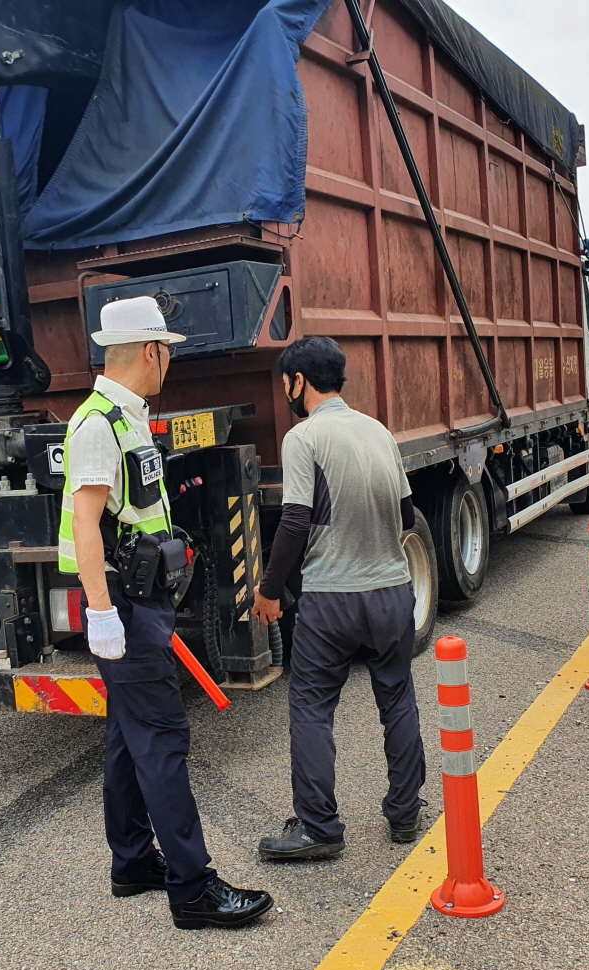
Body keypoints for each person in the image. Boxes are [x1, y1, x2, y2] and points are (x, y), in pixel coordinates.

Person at [60, 297, 273, 930]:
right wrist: (102, 614)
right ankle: (193, 886)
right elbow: (87, 523)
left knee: (131, 734)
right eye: (169, 350)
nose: (171, 361)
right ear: (151, 351)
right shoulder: (97, 424)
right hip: (123, 604)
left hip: (138, 598)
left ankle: (133, 861)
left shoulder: (126, 419)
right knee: (162, 737)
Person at [252, 337, 427, 859]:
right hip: (393, 593)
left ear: (298, 382)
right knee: (397, 699)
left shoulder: (303, 437)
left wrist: (270, 590)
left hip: (332, 600)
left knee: (311, 706)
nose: (285, 391)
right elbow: (405, 515)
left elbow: (296, 519)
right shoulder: (379, 432)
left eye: (286, 382)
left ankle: (319, 830)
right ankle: (405, 813)